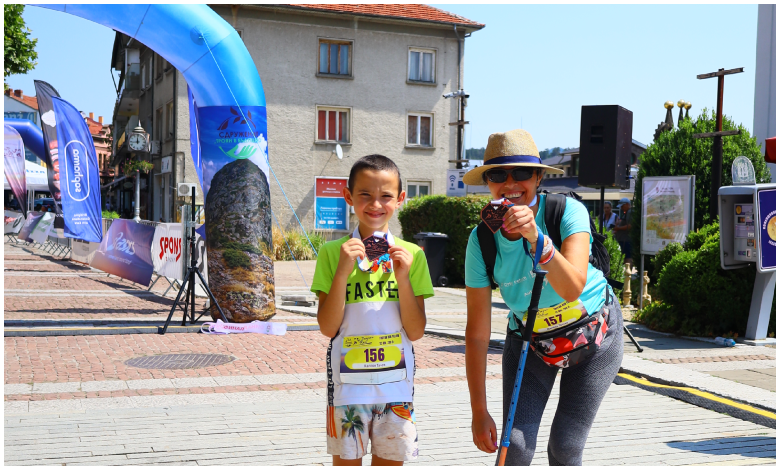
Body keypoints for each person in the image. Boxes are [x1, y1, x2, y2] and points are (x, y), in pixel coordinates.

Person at [461, 129, 624, 466]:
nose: (510, 184)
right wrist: (479, 412)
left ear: (537, 176)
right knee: (515, 447)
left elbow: (571, 287)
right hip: (533, 340)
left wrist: (537, 238)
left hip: (596, 332)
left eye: (521, 173)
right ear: (487, 182)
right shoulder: (482, 240)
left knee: (565, 445)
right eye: (497, 175)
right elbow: (477, 333)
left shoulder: (566, 212)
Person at [311, 154, 434, 466]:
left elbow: (416, 331)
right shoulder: (332, 253)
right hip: (349, 389)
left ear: (401, 199)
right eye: (365, 194)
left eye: (386, 196)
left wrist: (403, 278)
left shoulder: (412, 255)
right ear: (349, 196)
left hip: (395, 388)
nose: (375, 204)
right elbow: (327, 327)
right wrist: (342, 271)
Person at [613, 197, 632, 265]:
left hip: (626, 240)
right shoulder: (627, 212)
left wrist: (618, 228)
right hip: (623, 240)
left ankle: (628, 274)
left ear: (627, 204)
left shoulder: (630, 212)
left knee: (627, 258)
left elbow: (630, 226)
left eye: (622, 206)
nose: (621, 208)